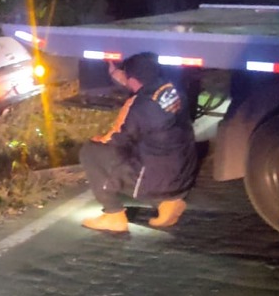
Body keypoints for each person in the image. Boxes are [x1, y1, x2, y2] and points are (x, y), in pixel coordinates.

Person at [79, 52, 198, 233]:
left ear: (132, 78)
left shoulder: (138, 106)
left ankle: (113, 215)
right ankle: (170, 202)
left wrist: (98, 140)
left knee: (92, 151)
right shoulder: (173, 88)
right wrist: (119, 74)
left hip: (157, 180)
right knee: (149, 147)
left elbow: (116, 141)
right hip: (182, 175)